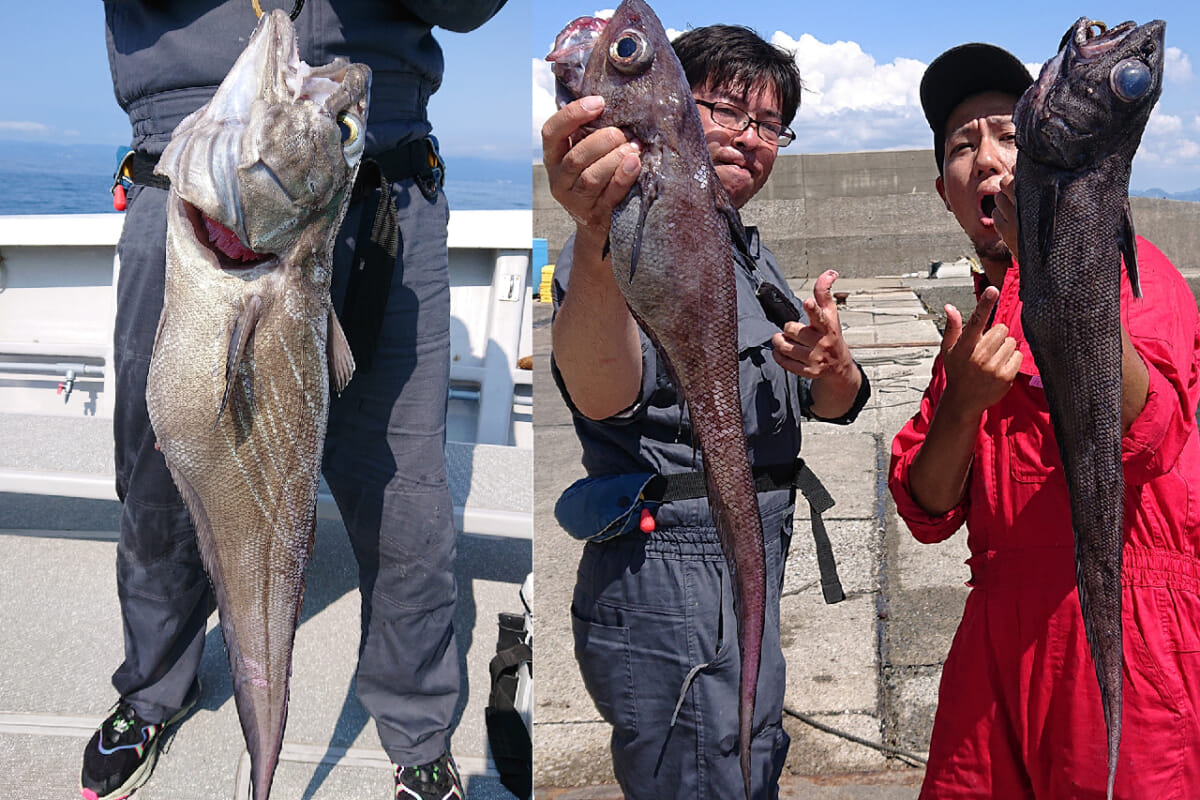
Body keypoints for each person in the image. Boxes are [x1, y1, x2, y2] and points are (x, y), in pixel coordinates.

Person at [81, 2, 507, 799]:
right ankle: (151, 688)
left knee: (407, 498)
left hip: (382, 191)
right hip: (195, 182)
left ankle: (418, 730)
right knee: (157, 487)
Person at [541, 23, 870, 800]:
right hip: (670, 568)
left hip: (757, 546)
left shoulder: (754, 259)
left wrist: (836, 367)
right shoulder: (620, 237)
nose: (748, 137)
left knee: (750, 761)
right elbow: (599, 392)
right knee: (702, 771)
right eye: (723, 107)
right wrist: (597, 234)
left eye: (768, 124)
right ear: (675, 109)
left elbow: (833, 405)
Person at [889, 41, 1200, 799]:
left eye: (1008, 136)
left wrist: (1064, 264)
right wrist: (960, 404)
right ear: (945, 191)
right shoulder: (978, 322)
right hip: (992, 646)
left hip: (1130, 634)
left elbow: (1149, 433)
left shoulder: (1137, 275)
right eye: (964, 146)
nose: (989, 159)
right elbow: (927, 510)